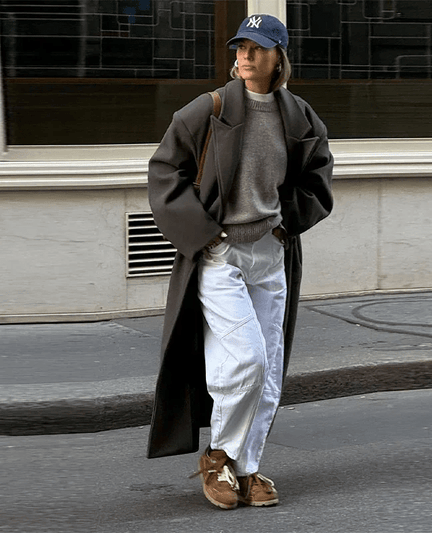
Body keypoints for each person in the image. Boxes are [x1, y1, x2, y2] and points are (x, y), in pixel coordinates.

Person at [146, 14, 334, 510]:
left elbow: (318, 178)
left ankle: (247, 469)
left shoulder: (299, 116)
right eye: (241, 47)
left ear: (279, 57)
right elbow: (164, 171)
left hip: (270, 254)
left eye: (258, 47)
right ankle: (219, 457)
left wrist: (286, 224)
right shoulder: (208, 109)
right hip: (221, 254)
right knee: (247, 359)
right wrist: (204, 234)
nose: (246, 55)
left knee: (269, 371)